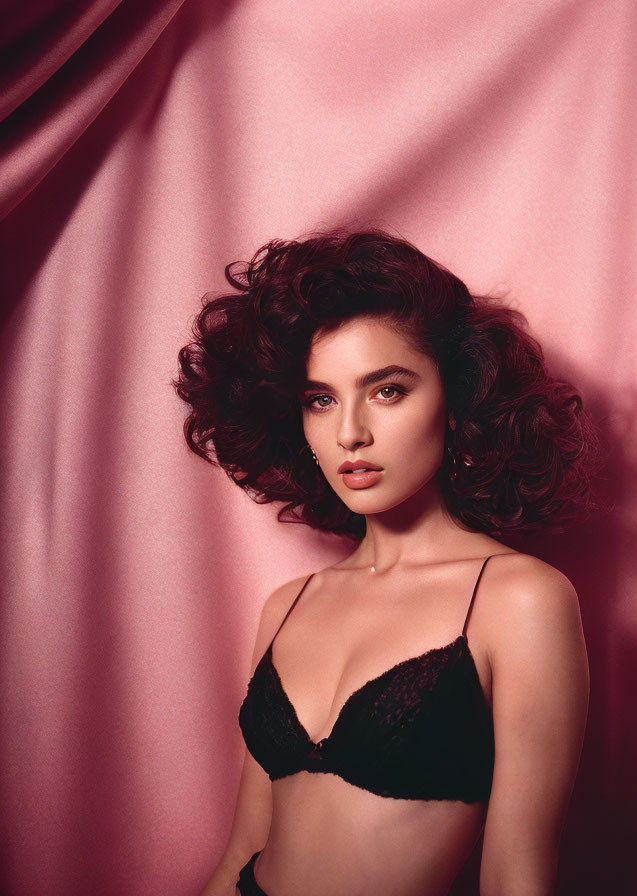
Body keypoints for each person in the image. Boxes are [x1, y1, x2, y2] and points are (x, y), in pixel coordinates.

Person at [173, 230, 598, 896]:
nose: (349, 433)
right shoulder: (288, 605)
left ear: (457, 405)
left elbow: (517, 879)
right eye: (321, 399)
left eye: (387, 391)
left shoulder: (519, 600)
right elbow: (240, 853)